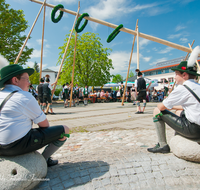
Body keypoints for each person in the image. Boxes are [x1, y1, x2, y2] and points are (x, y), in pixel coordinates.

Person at [0, 63, 69, 167]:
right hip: (14, 146)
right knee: (65, 130)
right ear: (15, 80)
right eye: (27, 79)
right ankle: (44, 159)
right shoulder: (23, 96)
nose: (29, 83)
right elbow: (44, 125)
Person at [147, 59, 200, 154]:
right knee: (179, 112)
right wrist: (174, 107)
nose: (174, 77)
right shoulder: (197, 85)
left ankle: (162, 145)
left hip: (194, 130)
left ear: (184, 75)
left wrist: (163, 104)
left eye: (176, 74)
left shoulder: (183, 88)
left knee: (157, 111)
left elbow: (162, 107)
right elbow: (192, 107)